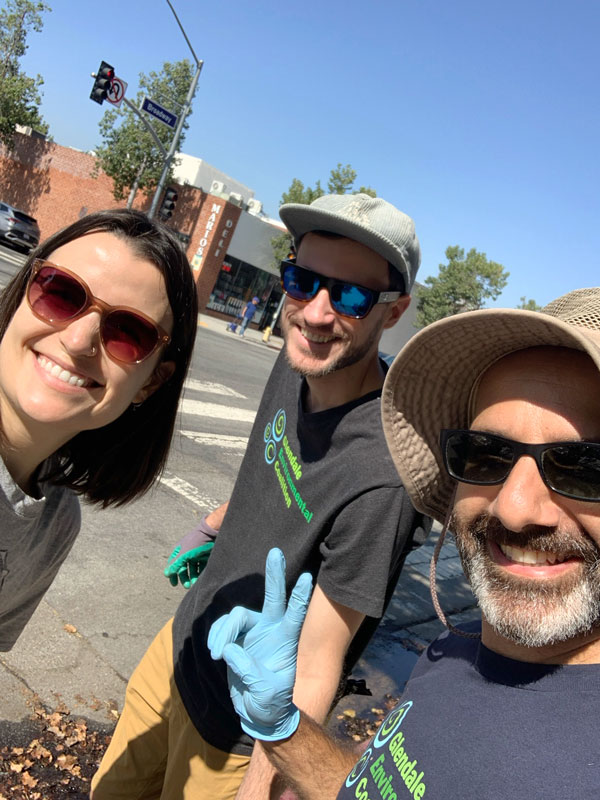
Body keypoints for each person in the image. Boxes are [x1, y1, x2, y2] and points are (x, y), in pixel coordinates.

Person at [92, 193, 431, 799]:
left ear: (394, 311)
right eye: (303, 281)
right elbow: (269, 475)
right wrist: (214, 523)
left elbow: (322, 655)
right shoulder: (298, 358)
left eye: (351, 296)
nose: (316, 313)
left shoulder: (385, 476)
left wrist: (259, 788)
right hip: (180, 645)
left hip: (234, 734)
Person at [211, 287, 600, 799]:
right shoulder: (459, 646)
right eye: (486, 453)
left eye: (585, 466)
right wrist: (281, 728)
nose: (513, 507)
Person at [0, 208, 198, 653]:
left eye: (128, 331)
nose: (78, 340)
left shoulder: (56, 523)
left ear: (151, 381)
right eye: (61, 292)